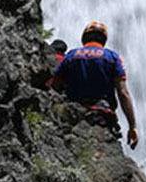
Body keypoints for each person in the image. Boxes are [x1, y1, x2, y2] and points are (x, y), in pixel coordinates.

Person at [50, 21, 139, 149]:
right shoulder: (112, 57)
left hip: (74, 115)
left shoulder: (71, 56)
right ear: (104, 39)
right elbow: (123, 93)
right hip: (102, 115)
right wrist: (132, 126)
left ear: (84, 38)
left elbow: (54, 87)